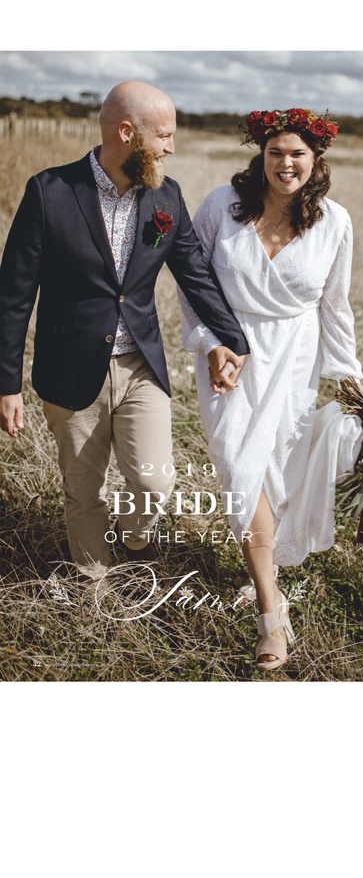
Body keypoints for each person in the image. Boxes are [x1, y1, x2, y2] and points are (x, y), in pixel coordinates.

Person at [0, 81, 250, 579]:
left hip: (141, 367)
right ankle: (94, 588)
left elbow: (195, 276)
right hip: (70, 371)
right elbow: (13, 296)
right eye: (163, 135)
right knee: (83, 489)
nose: (171, 147)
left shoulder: (166, 196)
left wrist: (235, 342)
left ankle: (135, 543)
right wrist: (7, 383)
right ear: (127, 132)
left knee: (155, 484)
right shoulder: (49, 192)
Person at [178, 107, 363, 670]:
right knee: (240, 468)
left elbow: (335, 305)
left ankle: (262, 573)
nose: (286, 164)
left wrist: (351, 378)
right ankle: (271, 613)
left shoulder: (335, 222)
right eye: (275, 153)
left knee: (276, 468)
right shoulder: (222, 206)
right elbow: (193, 283)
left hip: (294, 358)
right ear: (260, 156)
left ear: (316, 161)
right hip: (229, 353)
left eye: (298, 155)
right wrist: (210, 343)